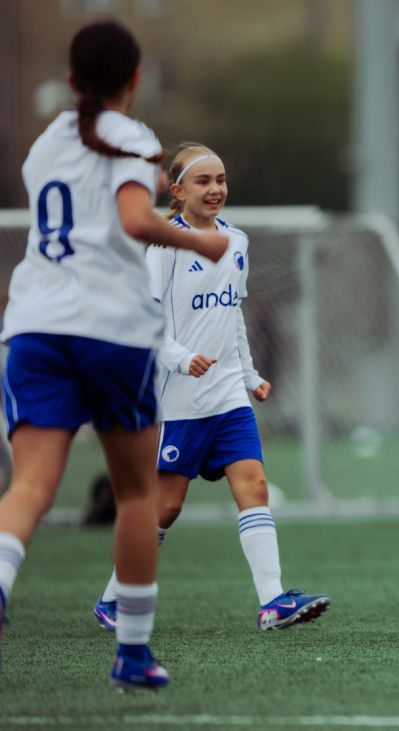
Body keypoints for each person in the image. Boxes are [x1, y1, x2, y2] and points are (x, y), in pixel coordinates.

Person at [0, 20, 227, 688]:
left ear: (72, 79)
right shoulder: (131, 137)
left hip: (35, 327)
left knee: (30, 485)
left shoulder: (45, 143)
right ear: (134, 79)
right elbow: (131, 219)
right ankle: (131, 653)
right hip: (111, 331)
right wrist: (201, 242)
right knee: (135, 494)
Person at [92, 143, 329, 634]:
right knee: (167, 506)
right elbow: (145, 322)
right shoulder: (163, 247)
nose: (216, 188)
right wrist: (181, 359)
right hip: (177, 398)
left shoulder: (236, 241)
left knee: (254, 486)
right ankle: (113, 598)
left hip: (227, 396)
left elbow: (233, 314)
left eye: (221, 179)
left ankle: (272, 602)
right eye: (203, 181)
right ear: (177, 191)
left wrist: (249, 375)